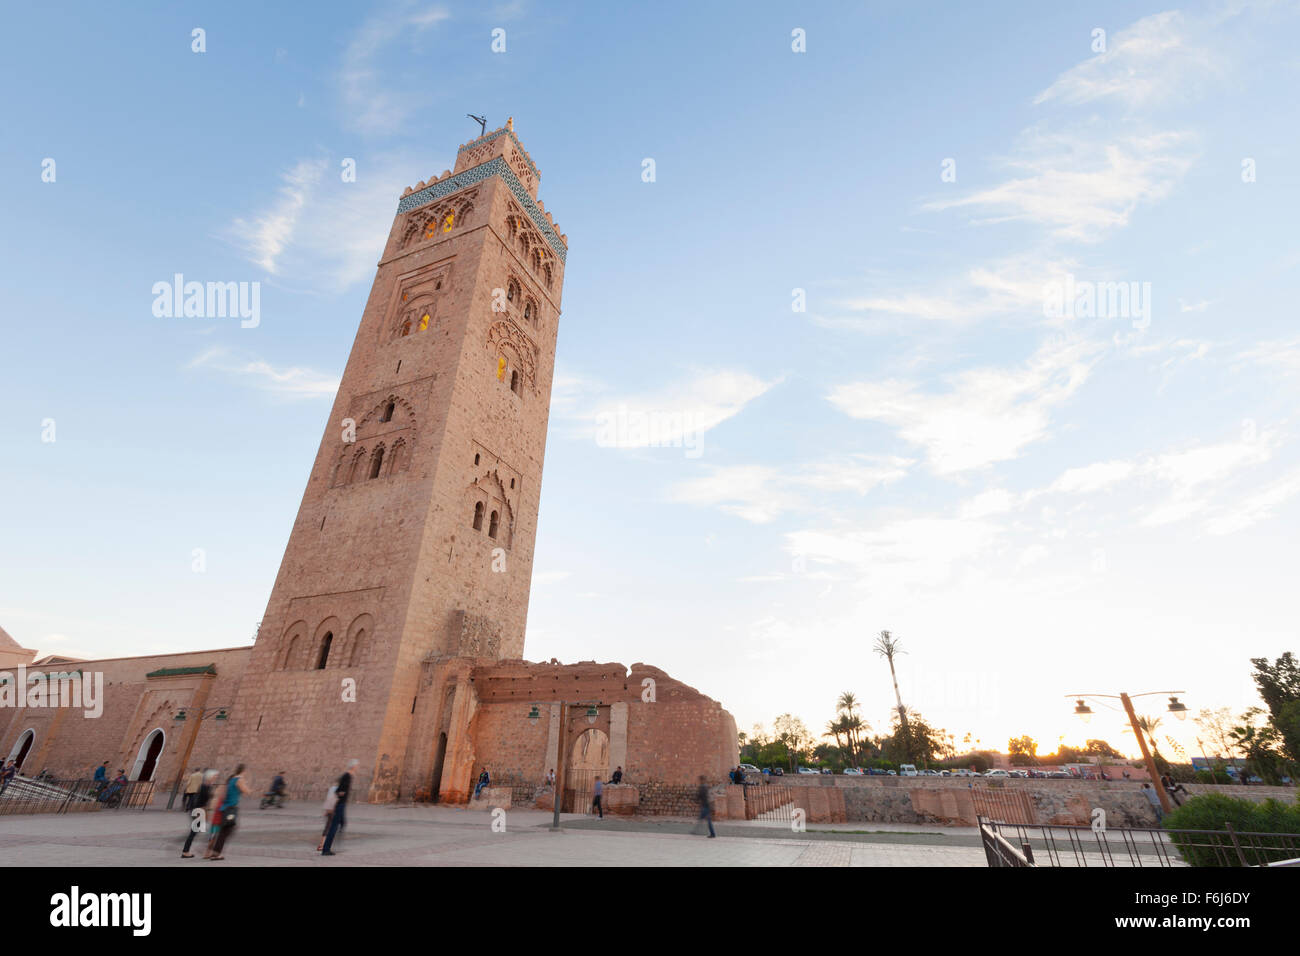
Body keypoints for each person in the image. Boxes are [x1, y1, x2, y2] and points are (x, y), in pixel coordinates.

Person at [207, 764, 249, 860]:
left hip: (225, 807)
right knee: (227, 830)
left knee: (225, 830)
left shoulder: (232, 779)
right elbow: (247, 791)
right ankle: (216, 852)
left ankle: (215, 851)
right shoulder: (239, 779)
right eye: (245, 771)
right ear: (243, 771)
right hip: (230, 809)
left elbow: (225, 795)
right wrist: (248, 787)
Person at [321, 759, 358, 856]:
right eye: (356, 766)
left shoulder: (348, 776)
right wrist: (338, 798)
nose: (357, 767)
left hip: (341, 804)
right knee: (334, 826)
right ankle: (326, 849)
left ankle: (336, 842)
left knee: (343, 823)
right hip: (340, 805)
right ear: (353, 766)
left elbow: (339, 790)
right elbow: (338, 791)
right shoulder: (347, 776)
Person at [181, 770, 219, 858]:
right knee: (195, 832)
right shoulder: (205, 786)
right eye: (214, 776)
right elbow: (199, 800)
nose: (215, 778)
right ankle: (186, 851)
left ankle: (189, 850)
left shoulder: (207, 786)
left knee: (197, 831)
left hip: (200, 811)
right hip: (199, 811)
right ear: (210, 777)